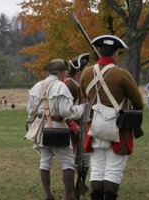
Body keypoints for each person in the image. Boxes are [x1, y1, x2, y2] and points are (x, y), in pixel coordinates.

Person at [79, 35, 144, 200]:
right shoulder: (122, 74)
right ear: (115, 54)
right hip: (117, 128)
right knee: (113, 170)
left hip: (94, 127)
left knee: (97, 169)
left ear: (100, 52)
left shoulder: (86, 73)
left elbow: (83, 97)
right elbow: (138, 103)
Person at [27, 59, 84, 200]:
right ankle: (68, 196)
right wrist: (81, 108)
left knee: (44, 161)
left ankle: (48, 195)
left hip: (40, 130)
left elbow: (30, 110)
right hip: (57, 128)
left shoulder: (36, 86)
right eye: (65, 71)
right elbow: (66, 112)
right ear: (61, 72)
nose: (66, 74)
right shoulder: (61, 87)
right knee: (68, 163)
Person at [65, 53, 91, 191]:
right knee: (73, 158)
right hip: (73, 128)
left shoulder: (82, 85)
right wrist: (71, 124)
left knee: (85, 156)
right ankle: (74, 186)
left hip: (83, 125)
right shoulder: (69, 85)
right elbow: (64, 109)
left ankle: (81, 183)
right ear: (79, 71)